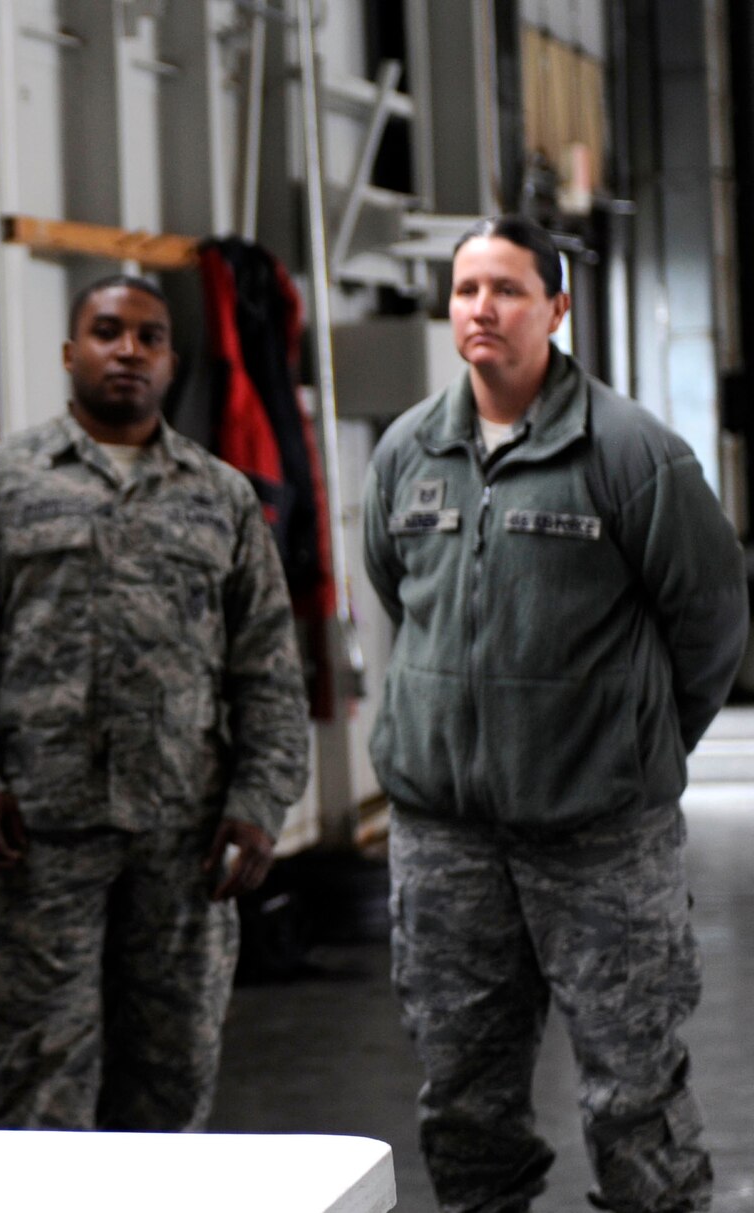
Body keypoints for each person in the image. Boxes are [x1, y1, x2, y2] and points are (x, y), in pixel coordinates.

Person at [363, 215, 744, 1213]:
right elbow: (399, 594)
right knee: (464, 1100)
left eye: (507, 289)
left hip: (599, 841)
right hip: (446, 841)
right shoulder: (408, 450)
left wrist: (631, 744)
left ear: (556, 308)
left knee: (634, 1097)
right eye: (465, 290)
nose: (481, 308)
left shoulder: (631, 453)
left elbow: (710, 622)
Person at [0, 275, 309, 1131]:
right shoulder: (2, 484)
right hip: (40, 840)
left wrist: (259, 800)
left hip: (186, 841)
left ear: (171, 361)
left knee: (173, 1077)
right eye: (107, 331)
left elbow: (269, 667)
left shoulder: (222, 496)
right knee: (39, 1079)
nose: (128, 349)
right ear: (70, 352)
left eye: (149, 336)